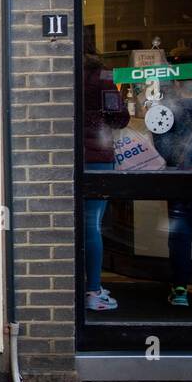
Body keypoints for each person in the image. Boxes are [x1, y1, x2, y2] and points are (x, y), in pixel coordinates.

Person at [150, 46, 192, 307]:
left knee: (181, 236)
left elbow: (161, 143)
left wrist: (174, 161)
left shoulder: (170, 108)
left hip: (179, 179)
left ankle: (180, 288)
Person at [82, 42, 129, 312]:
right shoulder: (103, 79)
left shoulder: (68, 77)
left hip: (72, 157)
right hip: (98, 158)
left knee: (79, 224)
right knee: (92, 224)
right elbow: (118, 117)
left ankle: (84, 285)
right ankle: (93, 290)